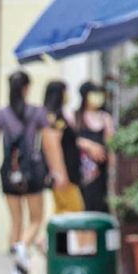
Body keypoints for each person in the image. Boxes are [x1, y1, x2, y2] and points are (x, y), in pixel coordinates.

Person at [0, 71, 49, 274]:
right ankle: (23, 247)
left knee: (15, 220)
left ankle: (17, 267)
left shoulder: (1, 114)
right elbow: (47, 143)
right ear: (26, 88)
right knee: (36, 218)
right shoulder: (38, 113)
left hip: (8, 171)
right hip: (32, 170)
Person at [40, 81, 85, 215]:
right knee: (77, 213)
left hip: (66, 173)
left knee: (60, 213)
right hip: (65, 175)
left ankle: (57, 237)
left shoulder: (56, 116)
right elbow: (51, 146)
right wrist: (59, 173)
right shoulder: (54, 117)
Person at [77, 81, 115, 213]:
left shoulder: (105, 118)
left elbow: (110, 145)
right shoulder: (75, 117)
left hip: (100, 171)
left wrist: (112, 169)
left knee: (99, 205)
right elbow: (69, 141)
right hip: (80, 171)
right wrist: (88, 145)